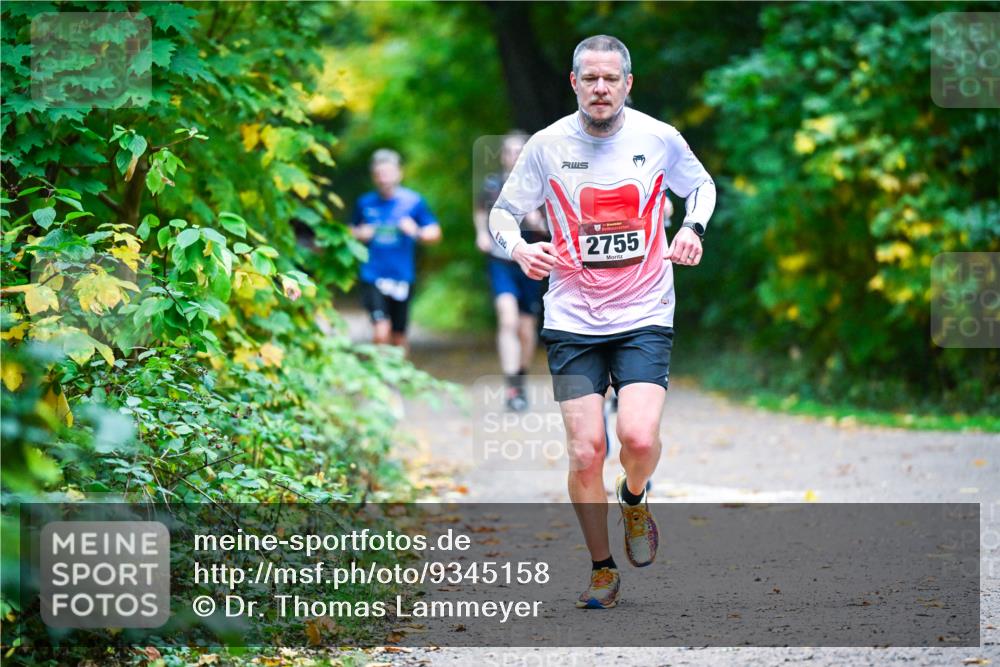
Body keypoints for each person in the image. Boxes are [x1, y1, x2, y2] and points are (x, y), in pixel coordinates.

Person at [488, 35, 716, 609]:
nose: (600, 88)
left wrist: (692, 229)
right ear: (574, 83)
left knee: (636, 438)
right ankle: (600, 567)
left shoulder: (659, 138)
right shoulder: (545, 146)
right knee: (586, 449)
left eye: (611, 79)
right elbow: (502, 213)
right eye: (590, 78)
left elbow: (703, 187)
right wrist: (519, 249)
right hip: (570, 318)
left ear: (627, 84)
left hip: (644, 312)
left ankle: (634, 497)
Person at [474, 131, 549, 411]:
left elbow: (553, 229)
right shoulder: (492, 185)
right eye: (510, 152)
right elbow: (481, 210)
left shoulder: (540, 187)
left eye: (520, 151)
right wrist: (481, 233)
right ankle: (511, 385)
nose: (514, 156)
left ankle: (520, 378)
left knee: (526, 329)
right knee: (507, 320)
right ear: (503, 156)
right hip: (500, 260)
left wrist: (537, 222)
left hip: (531, 262)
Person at [351, 149, 441, 351]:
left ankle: (398, 380)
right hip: (372, 274)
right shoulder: (364, 203)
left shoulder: (413, 202)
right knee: (381, 331)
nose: (384, 179)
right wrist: (359, 233)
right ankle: (381, 379)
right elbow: (348, 232)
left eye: (388, 173)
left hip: (402, 276)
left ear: (399, 173)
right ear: (374, 176)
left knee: (399, 336)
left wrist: (415, 231)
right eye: (379, 174)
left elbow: (435, 233)